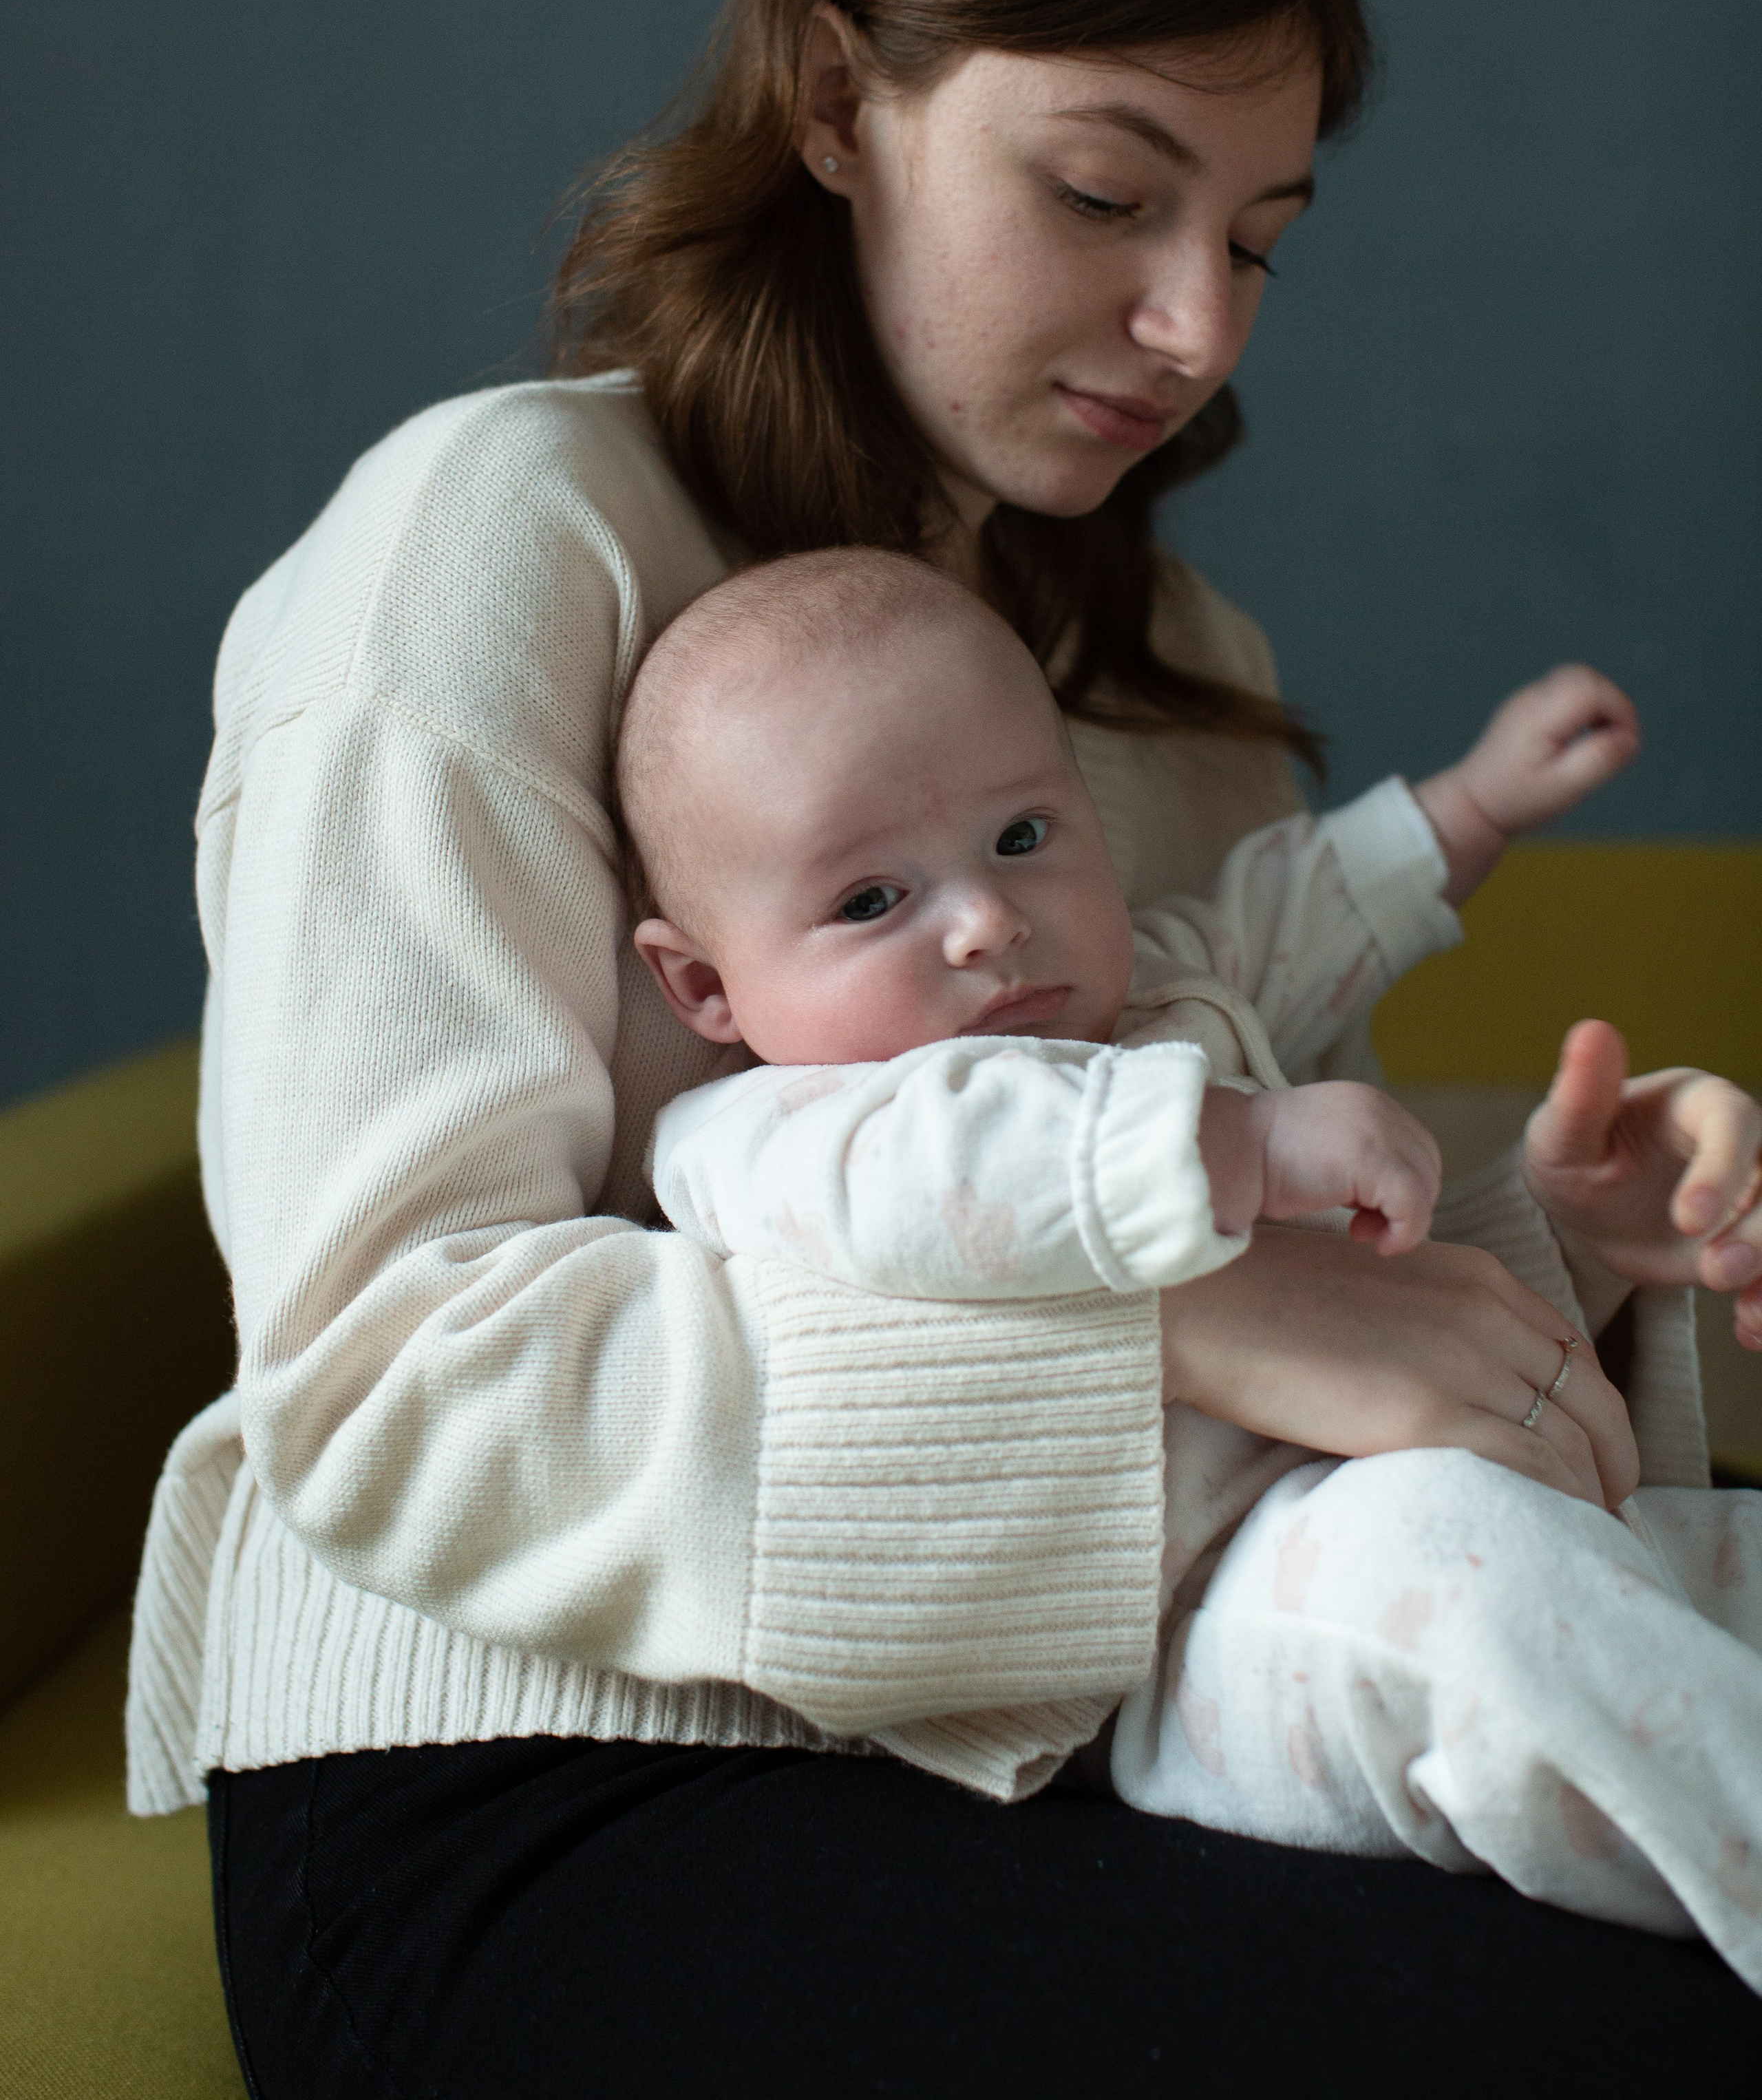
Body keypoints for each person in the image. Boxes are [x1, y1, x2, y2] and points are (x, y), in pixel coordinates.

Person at [128, 0, 1762, 2097]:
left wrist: (1567, 1249)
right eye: (1109, 193)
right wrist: (1174, 1353)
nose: (1198, 325)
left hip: (1116, 1707)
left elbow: (1251, 1293)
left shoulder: (1176, 668)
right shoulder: (496, 545)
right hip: (552, 1774)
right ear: (833, 98)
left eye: (1262, 240)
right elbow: (397, 1390)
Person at [619, 547, 1762, 1984]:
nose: (985, 919)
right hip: (1183, 1650)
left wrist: (1467, 807)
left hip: (1399, 1517)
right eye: (867, 902)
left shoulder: (1147, 1001)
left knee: (1706, 1567)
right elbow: (959, 1176)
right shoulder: (771, 1135)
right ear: (705, 987)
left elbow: (1290, 918)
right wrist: (1242, 1141)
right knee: (1478, 1599)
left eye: (1024, 834)